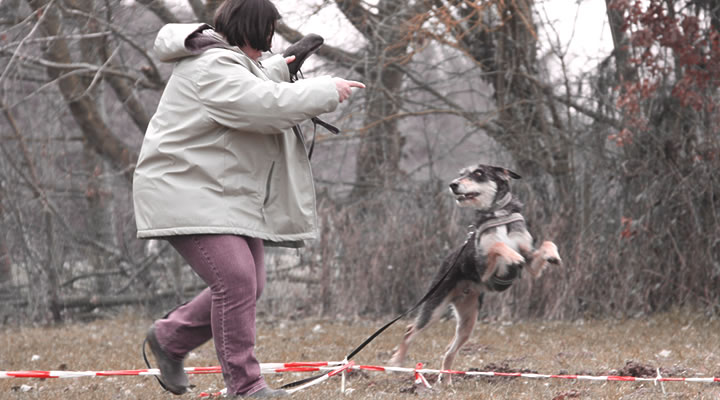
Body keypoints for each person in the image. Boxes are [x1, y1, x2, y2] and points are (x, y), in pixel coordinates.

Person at [132, 0, 365, 397]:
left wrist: (285, 65)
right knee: (236, 282)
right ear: (251, 29)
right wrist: (325, 90)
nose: (269, 44)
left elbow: (251, 82)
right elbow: (262, 106)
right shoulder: (211, 67)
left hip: (214, 189)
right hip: (183, 188)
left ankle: (170, 338)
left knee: (249, 284)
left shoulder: (224, 63)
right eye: (267, 35)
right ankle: (246, 386)